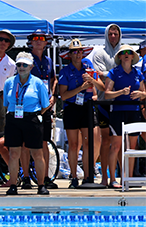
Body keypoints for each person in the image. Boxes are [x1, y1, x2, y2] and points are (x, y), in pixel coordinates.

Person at [2, 52, 51, 196]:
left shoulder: (38, 83)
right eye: (19, 65)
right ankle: (13, 185)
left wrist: (34, 116)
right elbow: (6, 103)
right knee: (14, 153)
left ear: (31, 66)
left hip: (32, 119)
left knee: (37, 152)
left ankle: (41, 185)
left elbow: (45, 104)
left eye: (24, 65)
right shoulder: (9, 82)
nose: (21, 67)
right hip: (13, 119)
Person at [59, 39, 105, 188]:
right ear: (70, 54)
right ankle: (73, 176)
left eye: (79, 51)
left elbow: (101, 87)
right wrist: (81, 88)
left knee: (89, 143)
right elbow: (64, 95)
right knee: (73, 145)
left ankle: (87, 175)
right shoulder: (65, 71)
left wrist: (92, 80)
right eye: (74, 52)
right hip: (72, 108)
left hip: (86, 106)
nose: (77, 54)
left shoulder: (88, 66)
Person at [104, 45, 146, 188]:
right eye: (124, 53)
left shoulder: (137, 73)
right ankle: (113, 180)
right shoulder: (114, 72)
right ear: (120, 57)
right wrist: (120, 92)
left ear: (133, 57)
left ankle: (127, 178)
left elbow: (144, 92)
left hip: (134, 111)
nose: (127, 55)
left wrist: (140, 94)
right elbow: (107, 93)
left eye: (129, 52)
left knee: (132, 147)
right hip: (118, 111)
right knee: (115, 146)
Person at [24, 29, 58, 189]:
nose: (39, 41)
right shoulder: (26, 59)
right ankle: (25, 178)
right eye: (35, 38)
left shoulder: (49, 61)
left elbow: (53, 79)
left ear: (46, 42)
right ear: (31, 41)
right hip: (29, 108)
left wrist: (53, 96)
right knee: (25, 143)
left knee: (44, 142)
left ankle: (44, 178)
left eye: (42, 38)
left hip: (46, 108)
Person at [91, 24, 122, 187]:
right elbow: (100, 75)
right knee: (105, 141)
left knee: (119, 142)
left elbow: (108, 75)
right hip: (104, 102)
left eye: (115, 34)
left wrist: (110, 75)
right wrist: (118, 74)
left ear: (119, 35)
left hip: (121, 104)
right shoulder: (99, 52)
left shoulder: (124, 51)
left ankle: (120, 178)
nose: (113, 36)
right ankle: (105, 178)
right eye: (110, 34)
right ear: (106, 35)